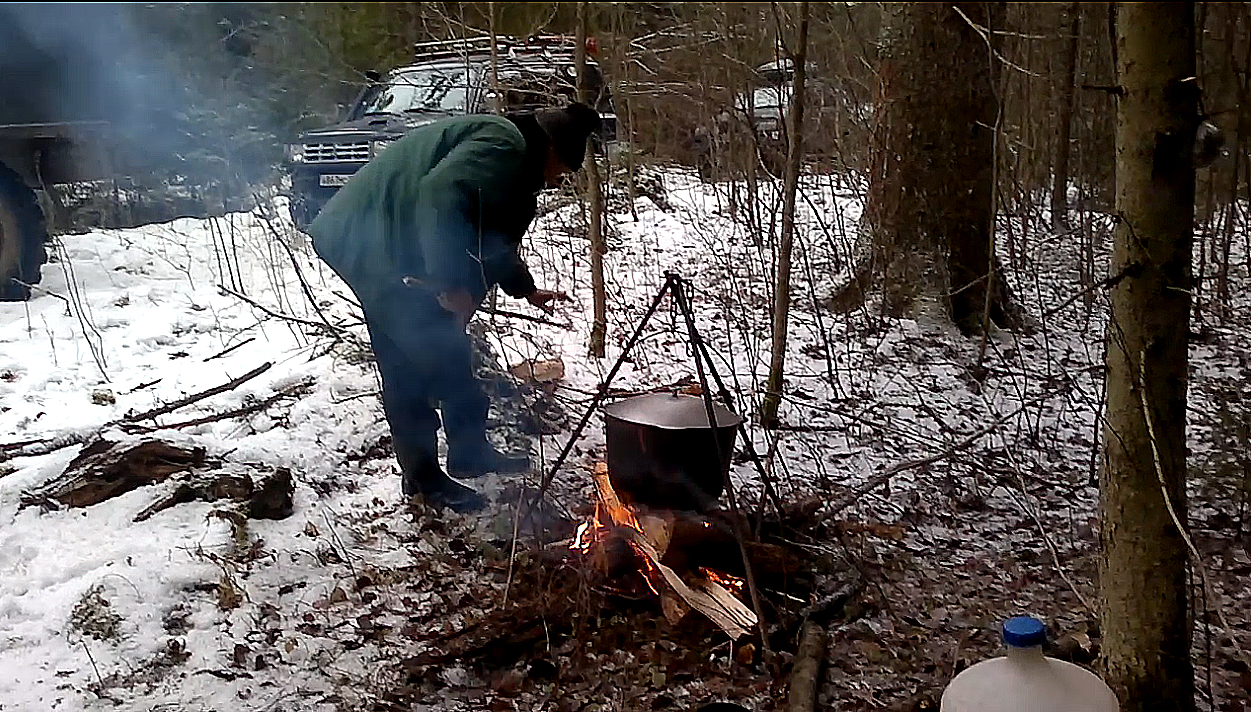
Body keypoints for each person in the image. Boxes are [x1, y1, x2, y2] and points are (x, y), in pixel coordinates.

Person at [306, 103, 602, 513]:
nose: (556, 181)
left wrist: (526, 289)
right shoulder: (503, 143)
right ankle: (423, 479)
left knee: (445, 345)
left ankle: (469, 452)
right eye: (562, 171)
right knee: (412, 356)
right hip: (368, 238)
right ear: (552, 149)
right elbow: (439, 194)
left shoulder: (510, 157)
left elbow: (487, 234)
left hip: (394, 236)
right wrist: (449, 282)